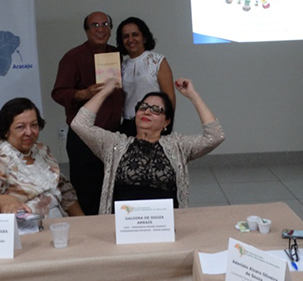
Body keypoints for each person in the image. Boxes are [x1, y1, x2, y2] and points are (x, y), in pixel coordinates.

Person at [71, 77, 224, 214]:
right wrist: (106, 90)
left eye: (156, 109)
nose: (147, 112)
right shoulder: (114, 144)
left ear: (166, 122)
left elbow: (215, 136)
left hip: (164, 224)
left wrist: (193, 95)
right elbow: (80, 124)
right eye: (143, 107)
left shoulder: (178, 146)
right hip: (124, 224)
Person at [51, 11, 125, 215]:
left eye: (105, 24)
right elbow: (58, 93)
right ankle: (89, 230)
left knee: (114, 188)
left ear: (110, 29)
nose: (100, 29)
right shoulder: (73, 57)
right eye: (95, 25)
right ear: (86, 30)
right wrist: (83, 93)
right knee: (87, 192)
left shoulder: (117, 55)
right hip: (84, 137)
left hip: (113, 135)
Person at [0, 98, 83, 218]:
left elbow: (65, 191)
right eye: (21, 127)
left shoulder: (41, 150)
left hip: (58, 222)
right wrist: (7, 201)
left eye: (34, 125)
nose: (29, 132)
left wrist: (83, 221)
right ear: (6, 131)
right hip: (28, 224)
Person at [116, 17, 175, 137]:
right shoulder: (122, 66)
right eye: (126, 36)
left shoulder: (157, 61)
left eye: (135, 35)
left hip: (153, 123)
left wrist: (166, 127)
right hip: (128, 125)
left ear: (144, 37)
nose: (130, 39)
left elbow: (169, 98)